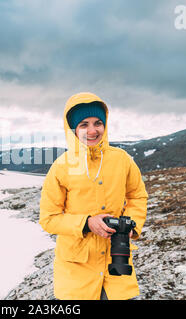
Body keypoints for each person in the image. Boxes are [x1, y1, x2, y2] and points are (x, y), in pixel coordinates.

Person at [39, 92, 148, 300]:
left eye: (98, 123)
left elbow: (138, 196)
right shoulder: (61, 167)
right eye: (83, 124)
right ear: (73, 129)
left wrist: (133, 225)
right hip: (76, 273)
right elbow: (48, 218)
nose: (92, 130)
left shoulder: (122, 159)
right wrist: (87, 223)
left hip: (117, 263)